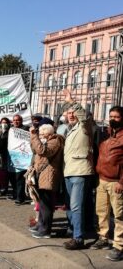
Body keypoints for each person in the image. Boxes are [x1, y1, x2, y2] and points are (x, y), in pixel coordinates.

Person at [61, 89, 94, 250]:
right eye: (69, 113)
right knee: (69, 205)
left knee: (76, 206)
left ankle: (78, 238)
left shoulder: (85, 127)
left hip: (80, 171)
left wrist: (72, 101)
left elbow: (84, 118)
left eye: (73, 112)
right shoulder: (69, 130)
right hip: (68, 171)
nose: (71, 114)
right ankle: (72, 230)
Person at [91, 106, 123, 261]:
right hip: (102, 180)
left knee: (119, 216)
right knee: (101, 212)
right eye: (111, 116)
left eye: (116, 117)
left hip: (116, 183)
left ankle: (119, 246)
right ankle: (103, 238)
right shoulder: (107, 135)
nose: (113, 119)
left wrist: (121, 182)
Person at [28, 124, 64, 238]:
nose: (41, 136)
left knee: (47, 204)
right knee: (42, 202)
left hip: (49, 175)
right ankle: (40, 225)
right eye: (40, 134)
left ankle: (45, 230)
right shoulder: (45, 140)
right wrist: (33, 137)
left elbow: (43, 151)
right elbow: (35, 150)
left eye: (43, 134)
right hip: (42, 174)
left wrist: (34, 136)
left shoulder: (55, 141)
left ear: (49, 133)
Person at [8, 114, 29, 205]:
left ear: (21, 121)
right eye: (14, 120)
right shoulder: (11, 130)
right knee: (13, 178)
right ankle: (16, 194)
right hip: (13, 157)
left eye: (18, 120)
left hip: (23, 158)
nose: (16, 122)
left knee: (20, 178)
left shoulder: (26, 129)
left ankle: (20, 198)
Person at [0, 117, 11, 195]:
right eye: (2, 122)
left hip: (7, 154)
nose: (4, 124)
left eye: (5, 122)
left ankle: (4, 188)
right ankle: (0, 187)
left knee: (5, 172)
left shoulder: (10, 132)